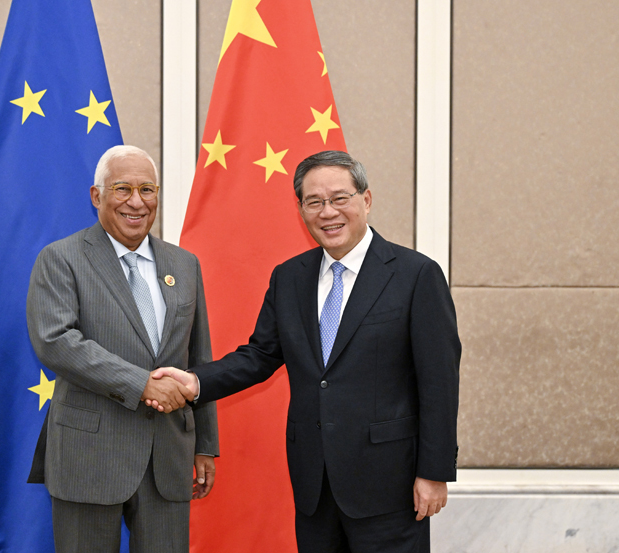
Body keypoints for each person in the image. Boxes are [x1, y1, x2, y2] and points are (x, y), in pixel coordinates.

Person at [149, 150, 460, 552]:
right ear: (300, 210)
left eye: (339, 198)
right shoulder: (290, 277)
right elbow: (259, 356)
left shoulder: (416, 275)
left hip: (390, 484)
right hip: (315, 483)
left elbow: (439, 382)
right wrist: (194, 382)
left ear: (366, 200)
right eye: (314, 202)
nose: (328, 211)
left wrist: (434, 472)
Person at [26, 145, 218, 553]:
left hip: (168, 456)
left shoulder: (184, 265)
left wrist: (204, 444)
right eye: (123, 189)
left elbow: (199, 357)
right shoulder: (61, 258)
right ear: (97, 196)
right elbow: (56, 342)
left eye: (147, 189)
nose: (137, 201)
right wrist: (141, 384)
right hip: (89, 455)